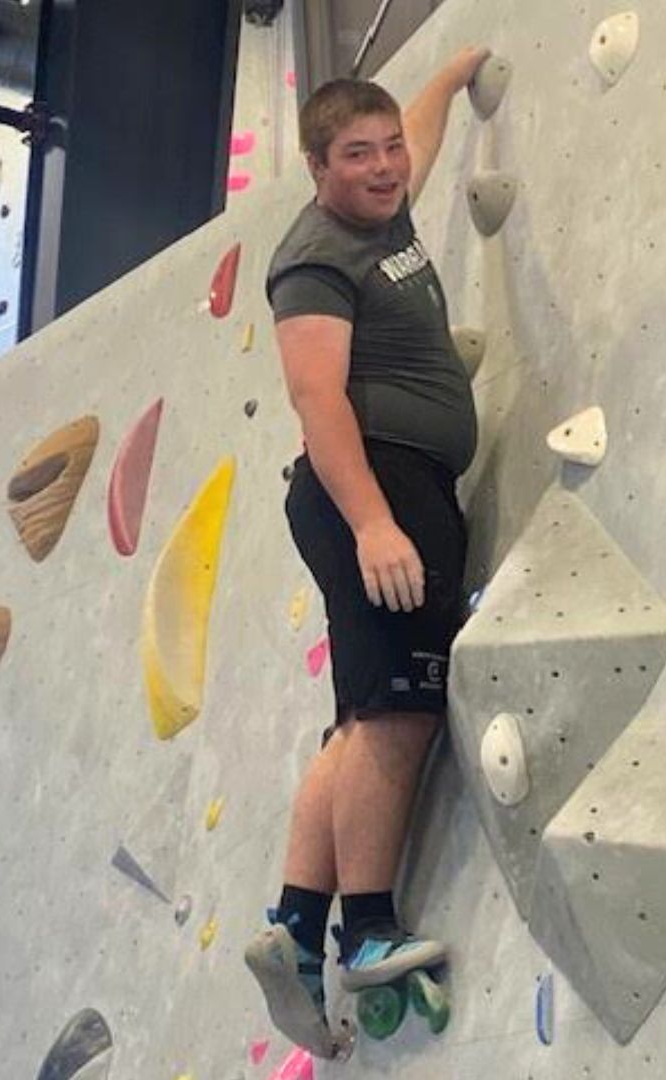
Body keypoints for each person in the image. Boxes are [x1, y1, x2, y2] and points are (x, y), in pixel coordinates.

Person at [245, 46, 491, 1057]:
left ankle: (298, 928)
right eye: (360, 154)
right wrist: (375, 523)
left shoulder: (382, 209)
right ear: (318, 167)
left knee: (359, 715)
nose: (387, 167)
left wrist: (455, 69)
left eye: (389, 149)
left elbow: (420, 135)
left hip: (397, 481)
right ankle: (368, 927)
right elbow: (316, 401)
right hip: (374, 483)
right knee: (401, 710)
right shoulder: (315, 258)